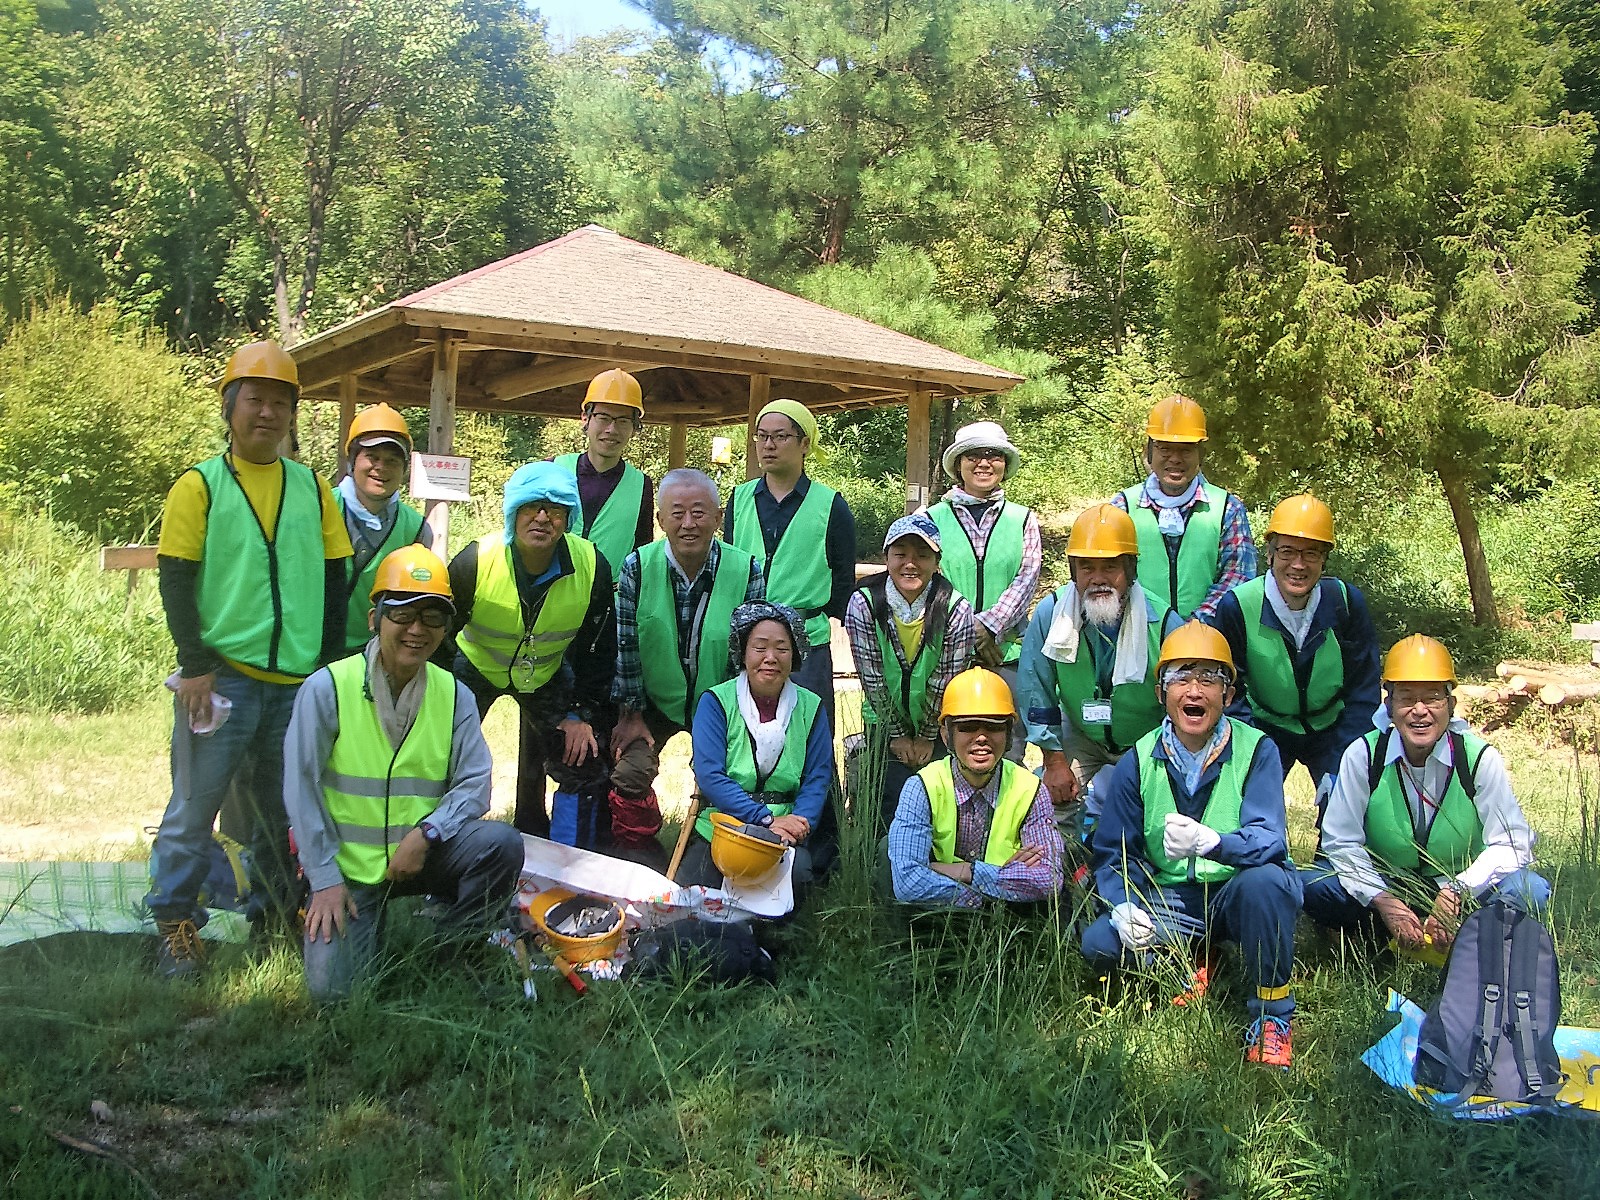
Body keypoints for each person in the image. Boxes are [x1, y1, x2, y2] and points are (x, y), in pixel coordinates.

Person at [146, 340, 353, 978]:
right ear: (232, 408)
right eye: (256, 400)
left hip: (294, 683)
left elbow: (334, 576)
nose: (268, 413)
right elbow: (176, 579)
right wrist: (195, 664)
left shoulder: (313, 488)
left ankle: (273, 914)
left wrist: (322, 665)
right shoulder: (199, 486)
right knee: (194, 806)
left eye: (280, 403)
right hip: (222, 679)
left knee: (282, 808)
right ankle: (176, 923)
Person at [283, 546, 524, 1003]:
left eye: (432, 618)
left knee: (501, 845)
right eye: (403, 615)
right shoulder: (327, 689)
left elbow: (476, 784)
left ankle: (453, 950)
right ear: (375, 619)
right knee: (336, 999)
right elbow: (301, 789)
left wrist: (428, 833)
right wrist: (325, 880)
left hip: (423, 854)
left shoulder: (455, 695)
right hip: (348, 869)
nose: (417, 630)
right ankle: (327, 912)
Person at [1081, 621, 1302, 1067]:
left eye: (1209, 678)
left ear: (1229, 694)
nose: (1194, 690)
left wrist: (1213, 843)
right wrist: (1124, 904)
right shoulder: (1138, 760)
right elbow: (1114, 853)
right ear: (1162, 693)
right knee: (1100, 944)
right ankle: (1194, 962)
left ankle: (1271, 1016)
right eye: (1180, 677)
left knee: (1269, 884)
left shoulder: (1258, 749)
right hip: (1172, 899)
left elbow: (1269, 838)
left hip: (1235, 892)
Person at [1301, 635, 1547, 954]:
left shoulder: (1479, 759)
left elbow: (1513, 843)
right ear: (1388, 705)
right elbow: (1341, 841)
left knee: (1529, 890)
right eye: (1406, 698)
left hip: (1461, 887)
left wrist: (1458, 890)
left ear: (1451, 704)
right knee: (1311, 884)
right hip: (1388, 885)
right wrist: (1383, 899)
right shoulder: (1362, 755)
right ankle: (1375, 936)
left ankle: (1471, 944)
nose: (1420, 711)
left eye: (1432, 698)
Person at [447, 461, 615, 837]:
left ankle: (568, 861)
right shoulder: (476, 560)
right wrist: (436, 709)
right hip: (475, 667)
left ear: (568, 516)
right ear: (512, 512)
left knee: (583, 757)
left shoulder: (591, 565)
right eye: (530, 506)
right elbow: (438, 641)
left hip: (546, 675)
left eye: (555, 509)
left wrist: (579, 713)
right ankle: (446, 849)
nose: (542, 518)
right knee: (439, 754)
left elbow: (599, 651)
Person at [610, 469, 765, 867]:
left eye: (700, 512)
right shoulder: (637, 568)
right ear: (660, 521)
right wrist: (631, 714)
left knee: (731, 780)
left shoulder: (746, 570)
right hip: (653, 704)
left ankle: (711, 856)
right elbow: (626, 646)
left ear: (718, 519)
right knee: (629, 771)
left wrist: (731, 726)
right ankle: (639, 855)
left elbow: (747, 659)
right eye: (677, 513)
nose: (689, 523)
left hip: (718, 706)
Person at [1206, 494, 1380, 791]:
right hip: (1264, 724)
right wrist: (1253, 746)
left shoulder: (1345, 603)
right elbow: (1228, 691)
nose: (1298, 565)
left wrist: (1347, 757)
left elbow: (1363, 689)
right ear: (1270, 553)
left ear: (1325, 559)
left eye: (1311, 553)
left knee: (1347, 809)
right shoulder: (1238, 607)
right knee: (1252, 813)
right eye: (1287, 552)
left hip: (1333, 725)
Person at [1019, 503, 1165, 838]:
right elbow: (1034, 688)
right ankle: (1064, 878)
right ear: (1073, 571)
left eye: (1110, 567)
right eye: (1086, 567)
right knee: (1047, 797)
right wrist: (1054, 761)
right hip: (1081, 732)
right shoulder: (1052, 613)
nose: (1098, 579)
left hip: (1145, 737)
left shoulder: (1165, 622)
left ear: (1130, 570)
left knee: (1158, 810)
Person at [680, 602, 835, 889]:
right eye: (760, 648)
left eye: (782, 648)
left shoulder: (811, 706)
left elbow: (818, 777)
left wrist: (798, 823)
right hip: (722, 826)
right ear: (743, 653)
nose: (771, 657)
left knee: (795, 881)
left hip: (785, 831)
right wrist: (762, 819)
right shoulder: (715, 702)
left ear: (796, 654)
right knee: (694, 897)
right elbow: (710, 775)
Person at [725, 399, 856, 732]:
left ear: (804, 444)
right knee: (744, 735)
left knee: (809, 735)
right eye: (761, 436)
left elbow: (843, 578)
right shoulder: (739, 499)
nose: (768, 445)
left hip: (806, 643)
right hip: (747, 640)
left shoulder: (831, 505)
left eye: (781, 436)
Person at [887, 667, 1064, 908]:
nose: (981, 737)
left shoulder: (1032, 791)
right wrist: (999, 885)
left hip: (1009, 925)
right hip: (936, 920)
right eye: (968, 727)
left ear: (1009, 734)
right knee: (883, 853)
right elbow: (908, 884)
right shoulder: (922, 787)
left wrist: (968, 872)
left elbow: (1050, 880)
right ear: (946, 735)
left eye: (993, 726)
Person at [844, 513, 975, 830]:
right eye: (900, 554)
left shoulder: (956, 609)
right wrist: (899, 735)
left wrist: (928, 736)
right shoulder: (864, 603)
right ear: (886, 556)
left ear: (936, 561)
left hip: (941, 720)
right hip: (883, 719)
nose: (910, 564)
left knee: (940, 802)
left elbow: (947, 678)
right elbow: (871, 676)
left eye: (922, 555)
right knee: (886, 802)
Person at [926, 420, 1042, 760]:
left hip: (1005, 655)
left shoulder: (1023, 519)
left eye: (993, 455)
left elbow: (1027, 575)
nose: (983, 463)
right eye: (973, 455)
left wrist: (989, 627)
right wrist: (967, 633)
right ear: (958, 464)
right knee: (949, 753)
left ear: (1005, 465)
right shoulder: (931, 518)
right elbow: (929, 582)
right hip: (945, 657)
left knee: (1007, 753)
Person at [1112, 394, 1255, 625]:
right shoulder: (1122, 509)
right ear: (1150, 451)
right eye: (1165, 449)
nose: (1175, 459)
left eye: (1186, 449)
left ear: (1201, 454)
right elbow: (1111, 577)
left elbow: (1238, 578)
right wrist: (1157, 628)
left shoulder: (1228, 509)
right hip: (1137, 635)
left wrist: (1193, 627)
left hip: (1208, 641)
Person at [336, 402, 429, 656]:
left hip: (379, 652)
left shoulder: (416, 529)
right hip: (310, 649)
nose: (381, 468)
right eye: (372, 457)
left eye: (392, 461)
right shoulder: (320, 509)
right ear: (353, 461)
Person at [554, 368, 655, 578]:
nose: (612, 429)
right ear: (585, 418)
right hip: (552, 594)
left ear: (635, 427)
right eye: (603, 417)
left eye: (623, 420)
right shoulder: (554, 469)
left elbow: (642, 551)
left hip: (609, 602)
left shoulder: (641, 485)